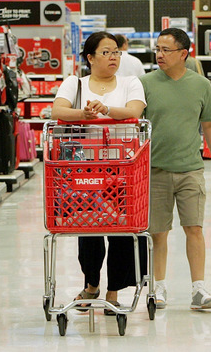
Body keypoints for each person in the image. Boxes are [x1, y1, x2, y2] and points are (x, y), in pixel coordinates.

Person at [51, 31, 146, 313]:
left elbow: (135, 111)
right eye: (105, 52)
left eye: (115, 51)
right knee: (88, 226)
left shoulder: (131, 82)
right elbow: (57, 109)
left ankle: (113, 291)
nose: (113, 57)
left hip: (124, 166)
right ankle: (91, 283)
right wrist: (84, 114)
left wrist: (105, 109)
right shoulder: (75, 83)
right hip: (85, 165)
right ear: (90, 58)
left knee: (121, 230)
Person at [139, 27, 211, 310]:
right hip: (155, 170)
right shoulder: (145, 83)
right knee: (158, 232)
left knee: (194, 229)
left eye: (166, 50)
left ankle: (198, 289)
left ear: (183, 54)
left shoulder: (200, 85)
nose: (159, 55)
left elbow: (210, 125)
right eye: (158, 49)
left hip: (190, 169)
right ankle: (158, 287)